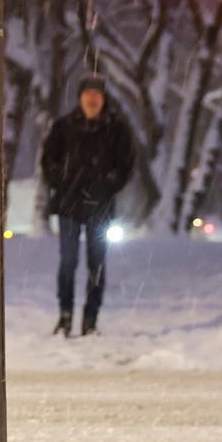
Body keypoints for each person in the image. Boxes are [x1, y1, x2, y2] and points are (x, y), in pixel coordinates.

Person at [41, 77, 136, 336]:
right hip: (69, 204)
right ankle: (66, 315)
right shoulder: (63, 127)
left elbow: (127, 164)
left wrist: (108, 183)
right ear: (80, 98)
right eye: (88, 94)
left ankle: (90, 318)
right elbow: (48, 160)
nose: (92, 100)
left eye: (97, 95)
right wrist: (61, 180)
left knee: (97, 264)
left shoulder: (116, 129)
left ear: (103, 100)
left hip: (100, 206)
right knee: (68, 262)